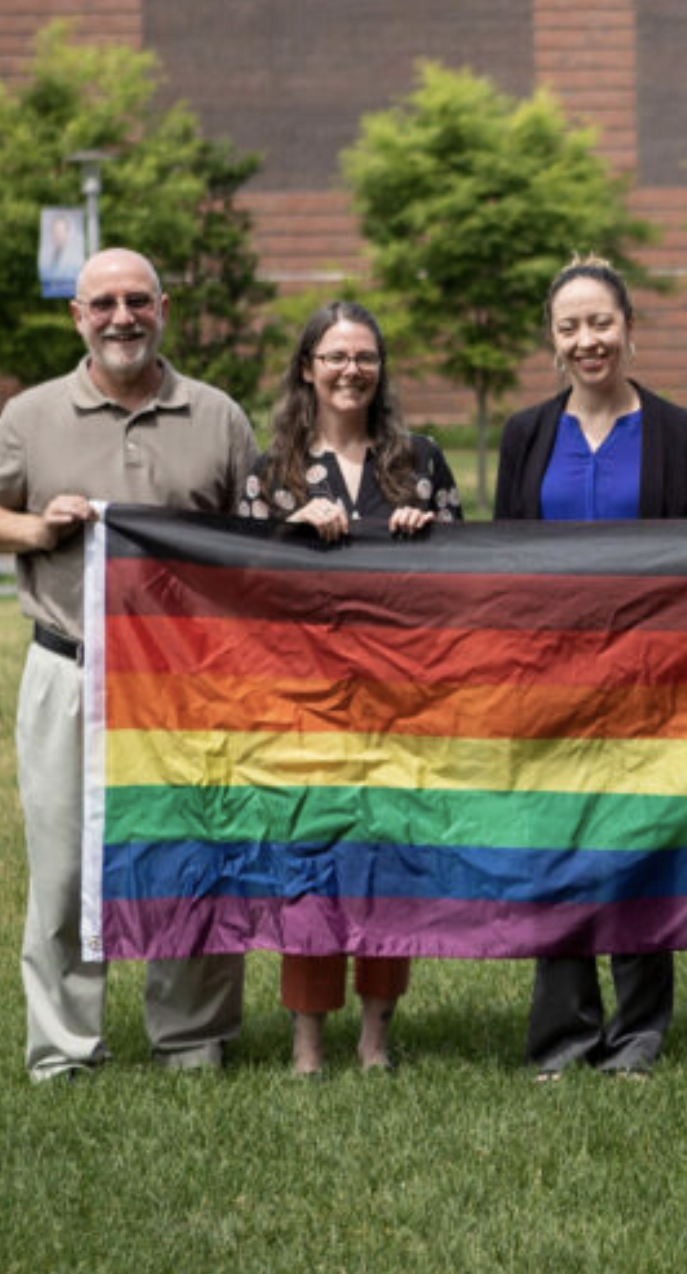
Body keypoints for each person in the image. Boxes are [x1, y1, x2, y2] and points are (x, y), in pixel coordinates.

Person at [0, 248, 256, 1083]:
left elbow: (252, 540)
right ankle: (63, 1048)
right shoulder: (32, 414)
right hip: (70, 669)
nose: (122, 317)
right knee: (63, 865)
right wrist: (37, 528)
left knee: (190, 857)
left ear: (163, 308)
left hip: (186, 681)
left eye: (137, 301)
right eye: (104, 304)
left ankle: (191, 1037)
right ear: (77, 317)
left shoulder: (218, 416)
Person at [495, 256, 687, 1081]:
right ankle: (561, 1036)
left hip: (646, 684)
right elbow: (504, 557)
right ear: (551, 342)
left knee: (636, 853)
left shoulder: (678, 429)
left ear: (629, 328)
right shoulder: (526, 433)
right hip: (548, 682)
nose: (587, 340)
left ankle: (636, 1038)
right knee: (556, 852)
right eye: (569, 327)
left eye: (601, 323)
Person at [238, 299, 461, 1075]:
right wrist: (294, 532)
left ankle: (375, 1038)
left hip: (401, 700)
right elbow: (247, 591)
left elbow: (464, 579)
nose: (350, 370)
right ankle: (306, 1045)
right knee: (309, 868)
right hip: (304, 706)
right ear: (308, 367)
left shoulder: (419, 462)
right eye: (334, 356)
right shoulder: (274, 475)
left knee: (385, 867)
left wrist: (422, 535)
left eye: (364, 357)